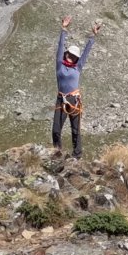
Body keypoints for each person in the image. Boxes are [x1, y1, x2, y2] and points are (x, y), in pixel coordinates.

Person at [52, 15, 100, 158]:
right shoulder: (59, 65)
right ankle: (57, 152)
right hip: (61, 100)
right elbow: (60, 47)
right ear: (66, 54)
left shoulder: (77, 67)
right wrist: (64, 28)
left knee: (75, 130)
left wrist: (92, 36)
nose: (71, 57)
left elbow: (86, 53)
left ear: (76, 59)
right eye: (69, 54)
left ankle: (77, 156)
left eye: (74, 56)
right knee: (56, 130)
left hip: (74, 100)